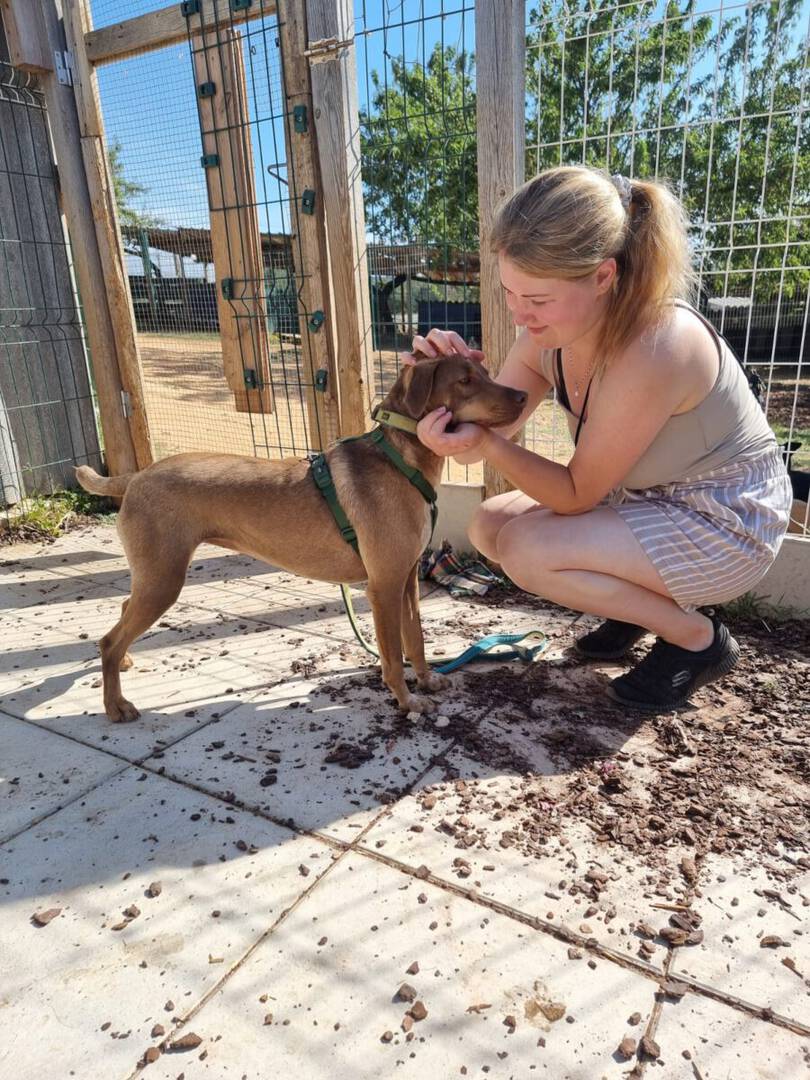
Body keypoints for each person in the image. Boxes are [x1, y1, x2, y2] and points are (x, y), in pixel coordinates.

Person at [405, 165, 792, 710]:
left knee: (526, 549)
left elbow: (574, 493)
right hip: (643, 498)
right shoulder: (548, 334)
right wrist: (444, 385)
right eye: (509, 291)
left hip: (724, 521)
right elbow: (480, 440)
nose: (519, 313)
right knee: (490, 524)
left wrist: (489, 445)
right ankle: (632, 607)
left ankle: (698, 640)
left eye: (537, 298)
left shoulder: (659, 344)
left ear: (603, 276)